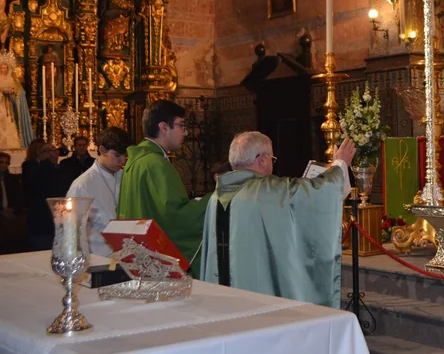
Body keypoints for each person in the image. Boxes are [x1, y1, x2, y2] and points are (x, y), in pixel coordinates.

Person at [199, 132, 356, 308]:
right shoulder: (266, 191)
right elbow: (318, 194)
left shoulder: (216, 197)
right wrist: (340, 164)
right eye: (272, 158)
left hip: (224, 297)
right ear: (263, 159)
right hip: (256, 301)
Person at [117, 100, 210, 268]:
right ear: (164, 127)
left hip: (141, 256)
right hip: (157, 262)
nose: (186, 132)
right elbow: (176, 215)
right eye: (181, 125)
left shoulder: (136, 161)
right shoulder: (155, 164)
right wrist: (213, 200)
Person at [67, 127, 130, 258]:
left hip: (127, 253)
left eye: (125, 156)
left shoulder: (126, 176)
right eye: (117, 156)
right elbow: (72, 230)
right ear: (102, 150)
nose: (123, 161)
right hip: (98, 257)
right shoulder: (82, 185)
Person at [22, 140, 58, 250]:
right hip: (37, 208)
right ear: (37, 151)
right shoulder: (29, 165)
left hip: (50, 207)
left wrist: (53, 163)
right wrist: (47, 163)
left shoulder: (49, 165)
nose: (49, 153)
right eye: (46, 150)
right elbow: (34, 184)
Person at [0, 50, 33, 149]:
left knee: (10, 123)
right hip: (1, 103)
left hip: (9, 105)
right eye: (2, 67)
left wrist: (13, 91)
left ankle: (12, 144)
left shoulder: (12, 78)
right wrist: (2, 91)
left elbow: (19, 91)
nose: (4, 69)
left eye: (6, 67)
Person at [0, 151, 25, 254]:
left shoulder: (12, 179)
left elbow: (19, 197)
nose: (4, 165)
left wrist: (13, 210)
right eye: (1, 162)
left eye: (6, 163)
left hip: (11, 215)